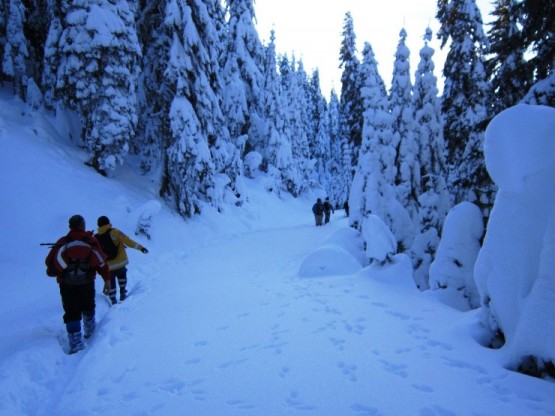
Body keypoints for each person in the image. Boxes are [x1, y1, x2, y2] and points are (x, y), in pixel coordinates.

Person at [45, 215, 111, 354]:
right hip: (86, 282)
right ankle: (90, 330)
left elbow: (50, 264)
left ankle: (75, 342)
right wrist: (107, 279)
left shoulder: (63, 242)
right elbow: (101, 262)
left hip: (66, 284)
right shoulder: (90, 241)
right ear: (83, 225)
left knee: (71, 311)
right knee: (88, 306)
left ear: (70, 226)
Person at [95, 216, 148, 304]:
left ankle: (113, 300)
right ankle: (123, 293)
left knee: (111, 283)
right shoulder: (114, 232)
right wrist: (141, 248)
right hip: (120, 263)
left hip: (108, 267)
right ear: (108, 223)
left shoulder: (96, 238)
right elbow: (128, 241)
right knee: (122, 276)